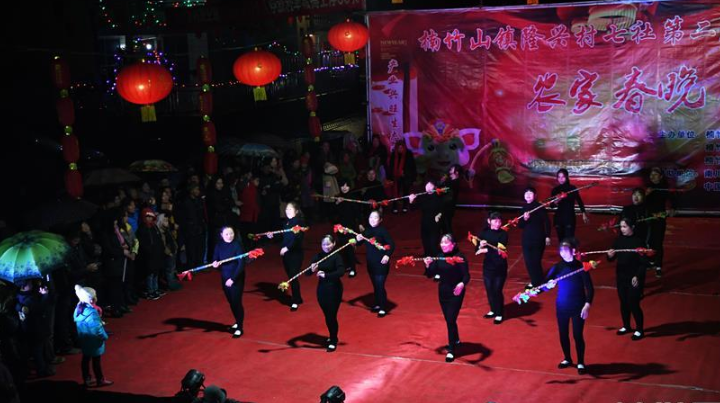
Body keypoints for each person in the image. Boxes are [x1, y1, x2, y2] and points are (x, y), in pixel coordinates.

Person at [544, 238, 594, 375]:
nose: (562, 253)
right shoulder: (557, 267)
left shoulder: (582, 267)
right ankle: (567, 358)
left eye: (565, 250)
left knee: (577, 335)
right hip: (562, 306)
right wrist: (549, 286)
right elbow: (544, 286)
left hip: (578, 306)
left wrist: (587, 305)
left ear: (573, 251)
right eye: (560, 250)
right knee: (563, 334)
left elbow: (590, 289)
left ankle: (581, 362)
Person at [423, 234, 470, 363]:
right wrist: (428, 265)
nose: (443, 245)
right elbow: (430, 274)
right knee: (449, 319)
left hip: (456, 292)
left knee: (450, 319)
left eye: (446, 243)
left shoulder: (460, 257)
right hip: (443, 292)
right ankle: (456, 339)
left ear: (453, 244)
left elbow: (466, 276)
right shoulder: (439, 257)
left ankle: (451, 350)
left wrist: (461, 284)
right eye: (441, 243)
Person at [607, 217, 647, 341]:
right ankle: (626, 326)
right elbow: (611, 258)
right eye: (621, 227)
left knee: (633, 303)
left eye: (624, 227)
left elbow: (644, 263)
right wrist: (610, 255)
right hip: (621, 277)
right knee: (623, 302)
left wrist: (637, 276)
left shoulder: (639, 242)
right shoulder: (618, 240)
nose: (622, 229)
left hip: (633, 278)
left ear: (632, 227)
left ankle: (639, 329)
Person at [309, 235, 345, 352]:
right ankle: (332, 334)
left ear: (334, 244)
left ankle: (333, 339)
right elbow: (307, 273)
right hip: (322, 290)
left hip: (335, 289)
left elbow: (341, 272)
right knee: (327, 315)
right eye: (324, 244)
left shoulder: (337, 256)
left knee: (331, 316)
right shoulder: (318, 257)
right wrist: (312, 270)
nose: (326, 247)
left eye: (328, 244)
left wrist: (326, 275)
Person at [356, 210, 395, 317]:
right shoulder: (367, 231)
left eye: (375, 217)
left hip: (381, 262)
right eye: (370, 217)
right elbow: (359, 243)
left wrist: (387, 255)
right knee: (375, 285)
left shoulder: (382, 231)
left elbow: (392, 244)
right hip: (371, 263)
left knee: (380, 285)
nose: (372, 220)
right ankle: (378, 303)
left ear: (380, 220)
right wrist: (357, 239)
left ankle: (383, 307)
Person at [73, 285, 112, 387]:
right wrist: (104, 336)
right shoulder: (92, 313)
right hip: (94, 341)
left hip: (84, 339)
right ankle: (100, 379)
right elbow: (97, 329)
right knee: (96, 361)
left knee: (85, 359)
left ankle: (87, 379)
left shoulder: (78, 309)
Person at [211, 227, 246, 338]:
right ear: (221, 235)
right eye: (226, 234)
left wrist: (233, 279)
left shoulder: (237, 245)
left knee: (236, 302)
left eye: (231, 233)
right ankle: (237, 320)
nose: (229, 236)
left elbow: (241, 264)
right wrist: (215, 263)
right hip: (225, 277)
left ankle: (239, 327)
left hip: (236, 277)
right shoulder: (219, 246)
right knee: (231, 302)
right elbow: (215, 258)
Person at [269, 202, 305, 311]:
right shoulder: (286, 222)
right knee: (291, 277)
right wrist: (273, 236)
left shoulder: (299, 222)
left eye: (290, 209)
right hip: (286, 254)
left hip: (295, 254)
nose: (287, 211)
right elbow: (283, 237)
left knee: (293, 276)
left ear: (296, 211)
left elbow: (297, 239)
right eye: (286, 209)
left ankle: (295, 301)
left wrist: (287, 248)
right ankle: (298, 297)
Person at [475, 212, 509, 324]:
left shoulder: (503, 234)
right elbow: (476, 248)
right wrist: (480, 245)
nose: (498, 223)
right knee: (489, 289)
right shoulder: (484, 233)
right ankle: (493, 309)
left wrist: (485, 250)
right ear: (489, 221)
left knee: (497, 290)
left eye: (499, 221)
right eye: (495, 221)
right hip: (488, 266)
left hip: (500, 266)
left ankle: (499, 313)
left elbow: (501, 251)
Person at [517, 187, 551, 289]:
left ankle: (537, 282)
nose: (528, 195)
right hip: (526, 239)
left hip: (538, 238)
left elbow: (547, 222)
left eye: (530, 193)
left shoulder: (539, 207)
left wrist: (547, 236)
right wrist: (525, 219)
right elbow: (520, 226)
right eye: (526, 193)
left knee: (536, 261)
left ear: (535, 195)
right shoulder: (523, 209)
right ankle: (536, 281)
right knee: (528, 261)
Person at [645, 167, 676, 278]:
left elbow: (672, 200)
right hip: (648, 219)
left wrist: (672, 208)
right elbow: (640, 201)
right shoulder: (648, 187)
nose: (652, 177)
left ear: (661, 176)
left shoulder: (664, 188)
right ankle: (651, 261)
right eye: (651, 174)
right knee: (649, 241)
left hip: (659, 218)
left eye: (655, 174)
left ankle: (658, 266)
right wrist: (645, 194)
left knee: (658, 242)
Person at [551, 169, 589, 242]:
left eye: (563, 177)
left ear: (567, 177)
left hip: (569, 218)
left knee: (569, 240)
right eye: (559, 177)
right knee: (561, 241)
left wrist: (583, 213)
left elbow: (579, 201)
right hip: (559, 218)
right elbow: (551, 205)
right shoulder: (555, 190)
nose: (561, 179)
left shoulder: (572, 188)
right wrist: (557, 200)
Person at [409, 181, 443, 259]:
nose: (428, 187)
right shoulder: (423, 197)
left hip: (435, 223)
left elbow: (442, 209)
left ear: (434, 187)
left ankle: (435, 258)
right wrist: (411, 200)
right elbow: (413, 208)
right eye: (427, 185)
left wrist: (439, 215)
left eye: (430, 185)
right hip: (425, 222)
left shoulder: (438, 196)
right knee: (425, 241)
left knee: (433, 243)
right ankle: (427, 256)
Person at [336, 182, 362, 278]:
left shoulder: (353, 198)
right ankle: (347, 266)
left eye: (346, 186)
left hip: (351, 228)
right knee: (342, 248)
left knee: (350, 247)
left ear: (350, 187)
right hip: (340, 228)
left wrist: (360, 223)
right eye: (342, 185)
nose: (344, 187)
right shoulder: (338, 198)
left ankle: (353, 269)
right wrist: (337, 203)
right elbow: (333, 214)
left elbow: (357, 212)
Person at [388, 141, 417, 213]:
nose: (400, 149)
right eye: (399, 148)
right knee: (395, 192)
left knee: (405, 192)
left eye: (401, 148)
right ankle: (395, 207)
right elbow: (391, 167)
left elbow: (412, 167)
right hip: (395, 177)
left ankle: (405, 206)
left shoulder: (408, 154)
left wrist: (406, 174)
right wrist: (390, 178)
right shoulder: (394, 154)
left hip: (406, 177)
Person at [440, 164, 461, 236]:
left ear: (457, 172)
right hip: (444, 204)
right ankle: (445, 237)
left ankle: (450, 239)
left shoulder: (456, 182)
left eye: (452, 169)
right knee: (443, 222)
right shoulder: (449, 180)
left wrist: (443, 184)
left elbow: (448, 191)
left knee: (447, 222)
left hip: (449, 205)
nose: (450, 169)